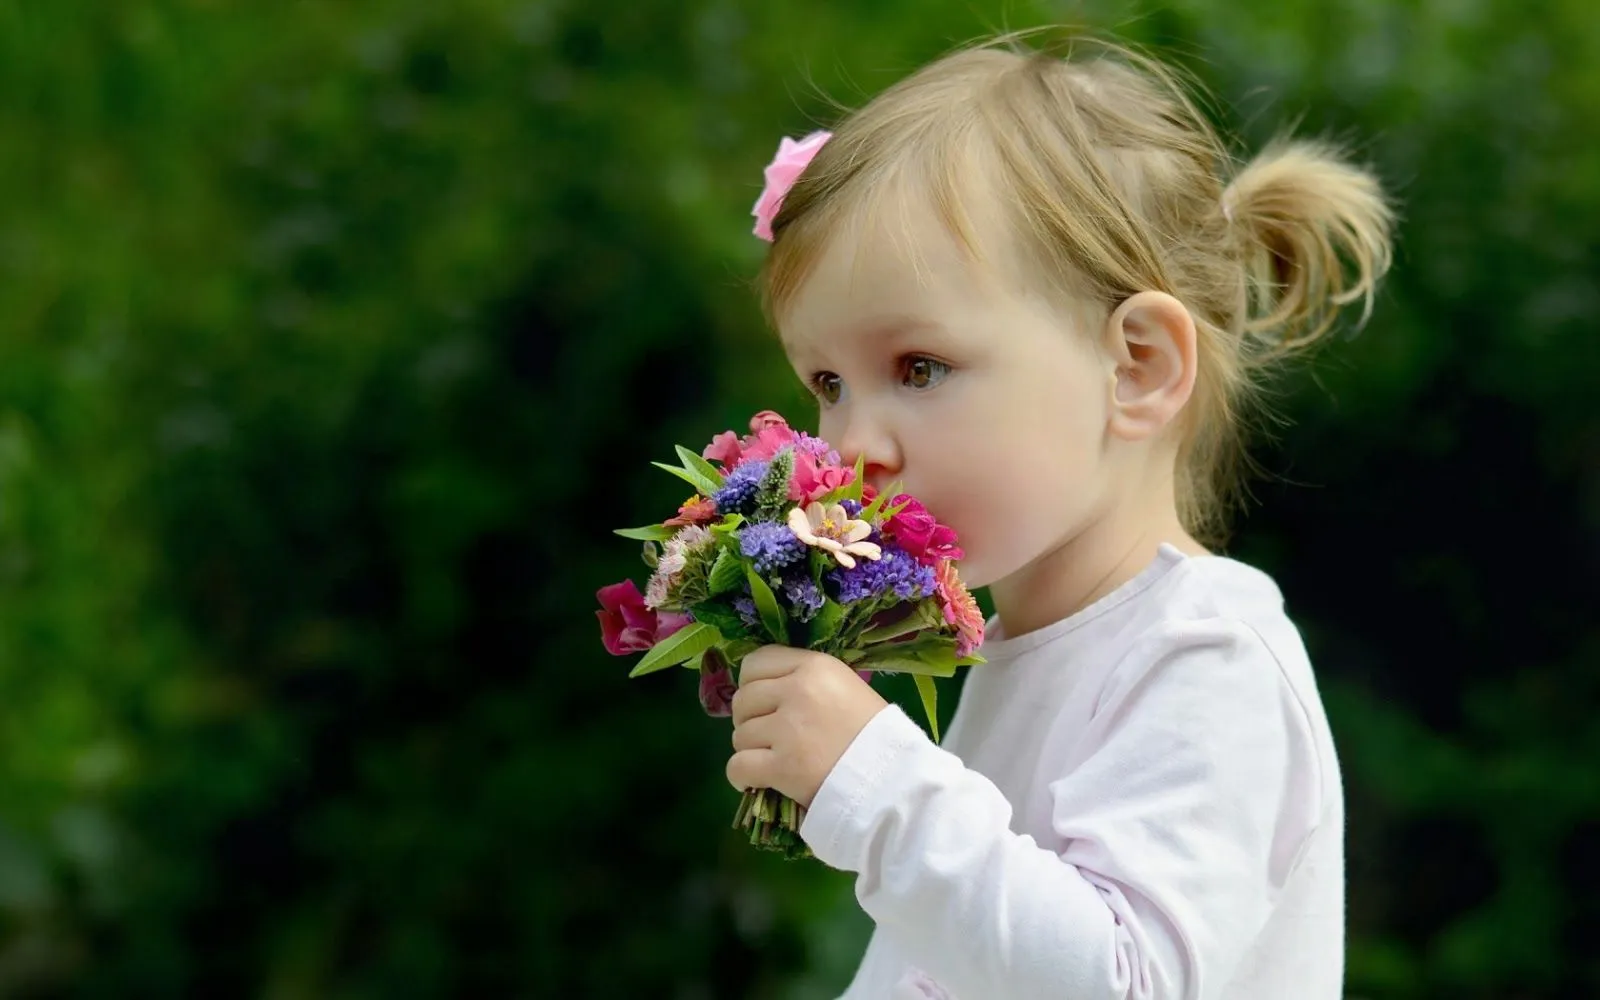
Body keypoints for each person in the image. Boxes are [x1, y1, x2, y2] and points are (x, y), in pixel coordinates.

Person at [724, 31, 1394, 1000]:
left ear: (1137, 368)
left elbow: (1122, 980)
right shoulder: (1019, 648)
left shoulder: (1206, 656)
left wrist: (874, 785)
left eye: (918, 366)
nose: (850, 443)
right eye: (827, 381)